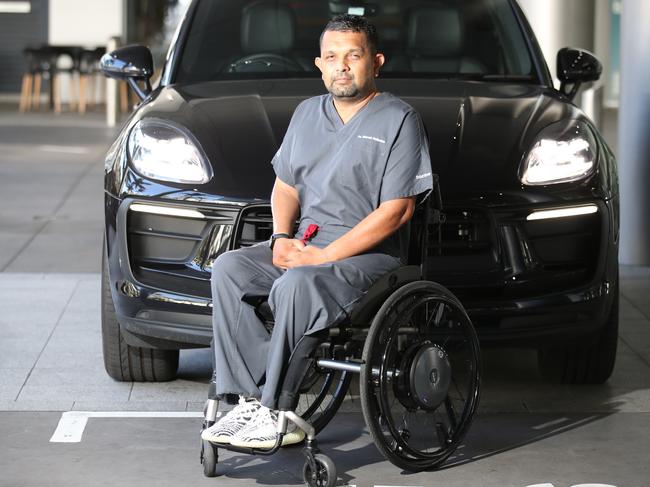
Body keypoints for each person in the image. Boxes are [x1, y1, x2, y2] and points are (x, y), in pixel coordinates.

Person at [201, 14, 433, 449]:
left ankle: (275, 408)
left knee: (296, 284)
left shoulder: (400, 120)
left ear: (376, 62)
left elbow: (397, 213)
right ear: (319, 65)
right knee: (230, 268)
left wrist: (322, 258)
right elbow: (286, 186)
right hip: (308, 246)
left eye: (353, 55)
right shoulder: (308, 114)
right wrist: (281, 238)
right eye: (332, 57)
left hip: (368, 257)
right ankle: (248, 399)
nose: (341, 65)